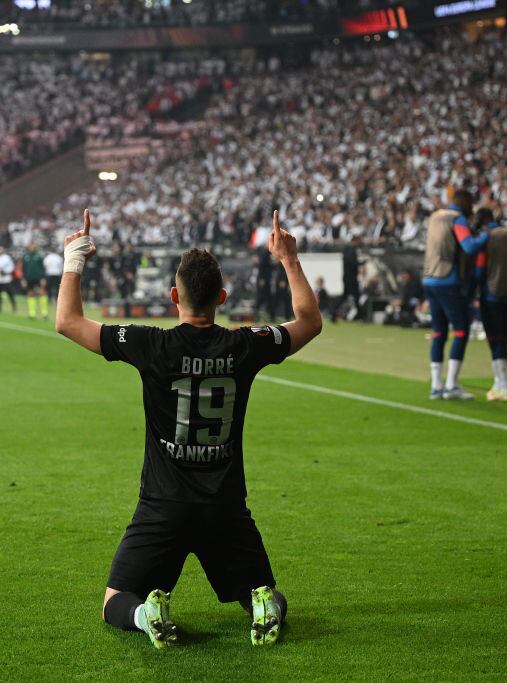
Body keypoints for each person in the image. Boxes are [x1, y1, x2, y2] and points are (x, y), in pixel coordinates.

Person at [55, 208, 322, 649]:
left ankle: (146, 614)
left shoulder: (151, 344)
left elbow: (68, 322)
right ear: (222, 297)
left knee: (115, 601)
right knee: (264, 591)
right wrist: (288, 259)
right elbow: (310, 322)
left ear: (173, 296)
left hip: (163, 506)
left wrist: (74, 258)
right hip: (226, 508)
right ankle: (264, 607)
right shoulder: (245, 345)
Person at [422, 189, 488, 400]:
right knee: (461, 330)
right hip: (446, 279)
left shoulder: (434, 216)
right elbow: (469, 247)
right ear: (466, 203)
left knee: (439, 332)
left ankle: (435, 385)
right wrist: (486, 235)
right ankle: (451, 385)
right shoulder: (457, 219)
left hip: (429, 277)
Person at [473, 209, 507, 402]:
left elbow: (480, 271)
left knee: (494, 340)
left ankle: (502, 383)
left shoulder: (486, 239)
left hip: (490, 296)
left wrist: (474, 293)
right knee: (503, 339)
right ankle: (499, 381)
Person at [21, 242, 48, 320]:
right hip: (29, 278)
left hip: (39, 278)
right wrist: (23, 279)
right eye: (32, 246)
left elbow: (43, 268)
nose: (33, 247)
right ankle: (32, 313)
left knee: (42, 293)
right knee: (30, 294)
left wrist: (43, 278)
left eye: (35, 246)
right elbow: (23, 269)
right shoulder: (25, 256)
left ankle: (44, 313)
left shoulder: (39, 256)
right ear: (29, 247)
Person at [0, 245, 17, 314]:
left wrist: (5, 272)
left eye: (1, 249)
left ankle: (14, 306)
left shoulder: (6, 258)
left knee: (10, 293)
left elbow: (11, 267)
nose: (0, 251)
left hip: (6, 279)